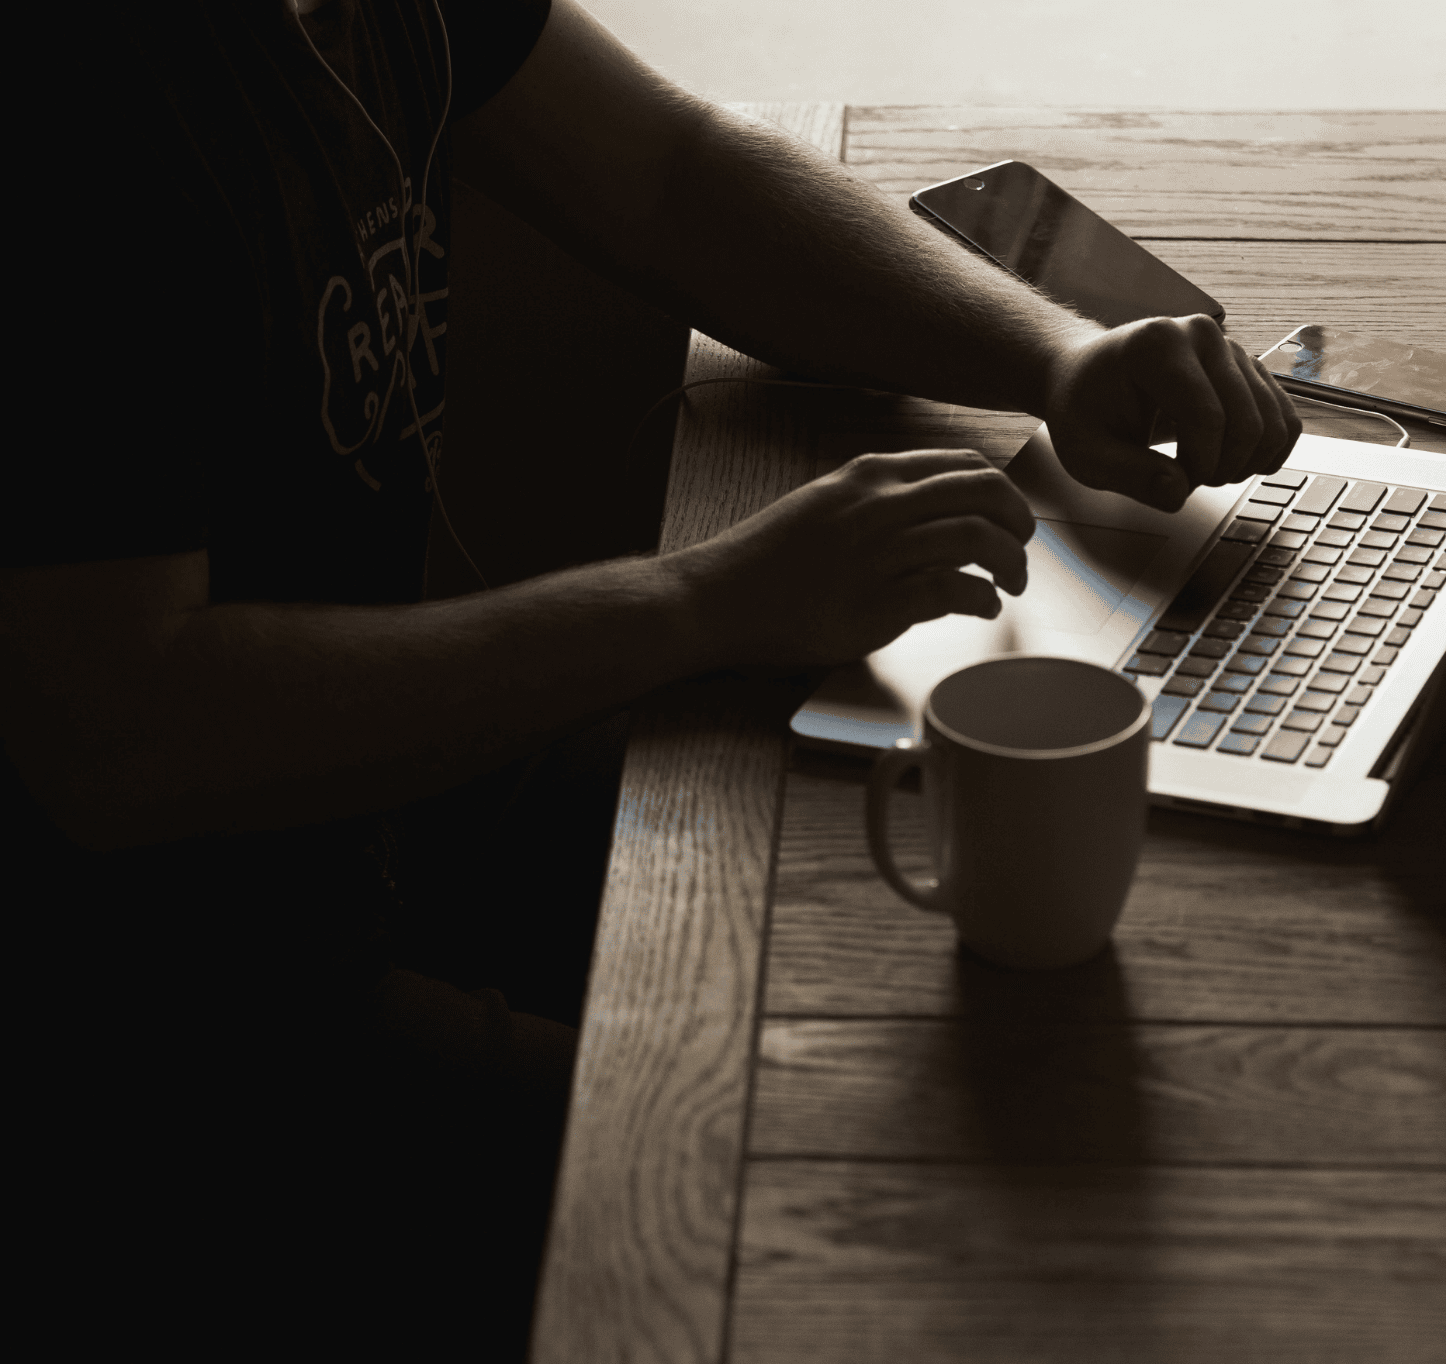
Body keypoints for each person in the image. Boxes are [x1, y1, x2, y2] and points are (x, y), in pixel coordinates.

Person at [3, 0, 1298, 1354]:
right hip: (164, 1024)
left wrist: (1053, 357)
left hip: (367, 818)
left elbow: (673, 180)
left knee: (963, 916)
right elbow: (122, 732)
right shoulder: (70, 96)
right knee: (873, 1196)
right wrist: (705, 598)